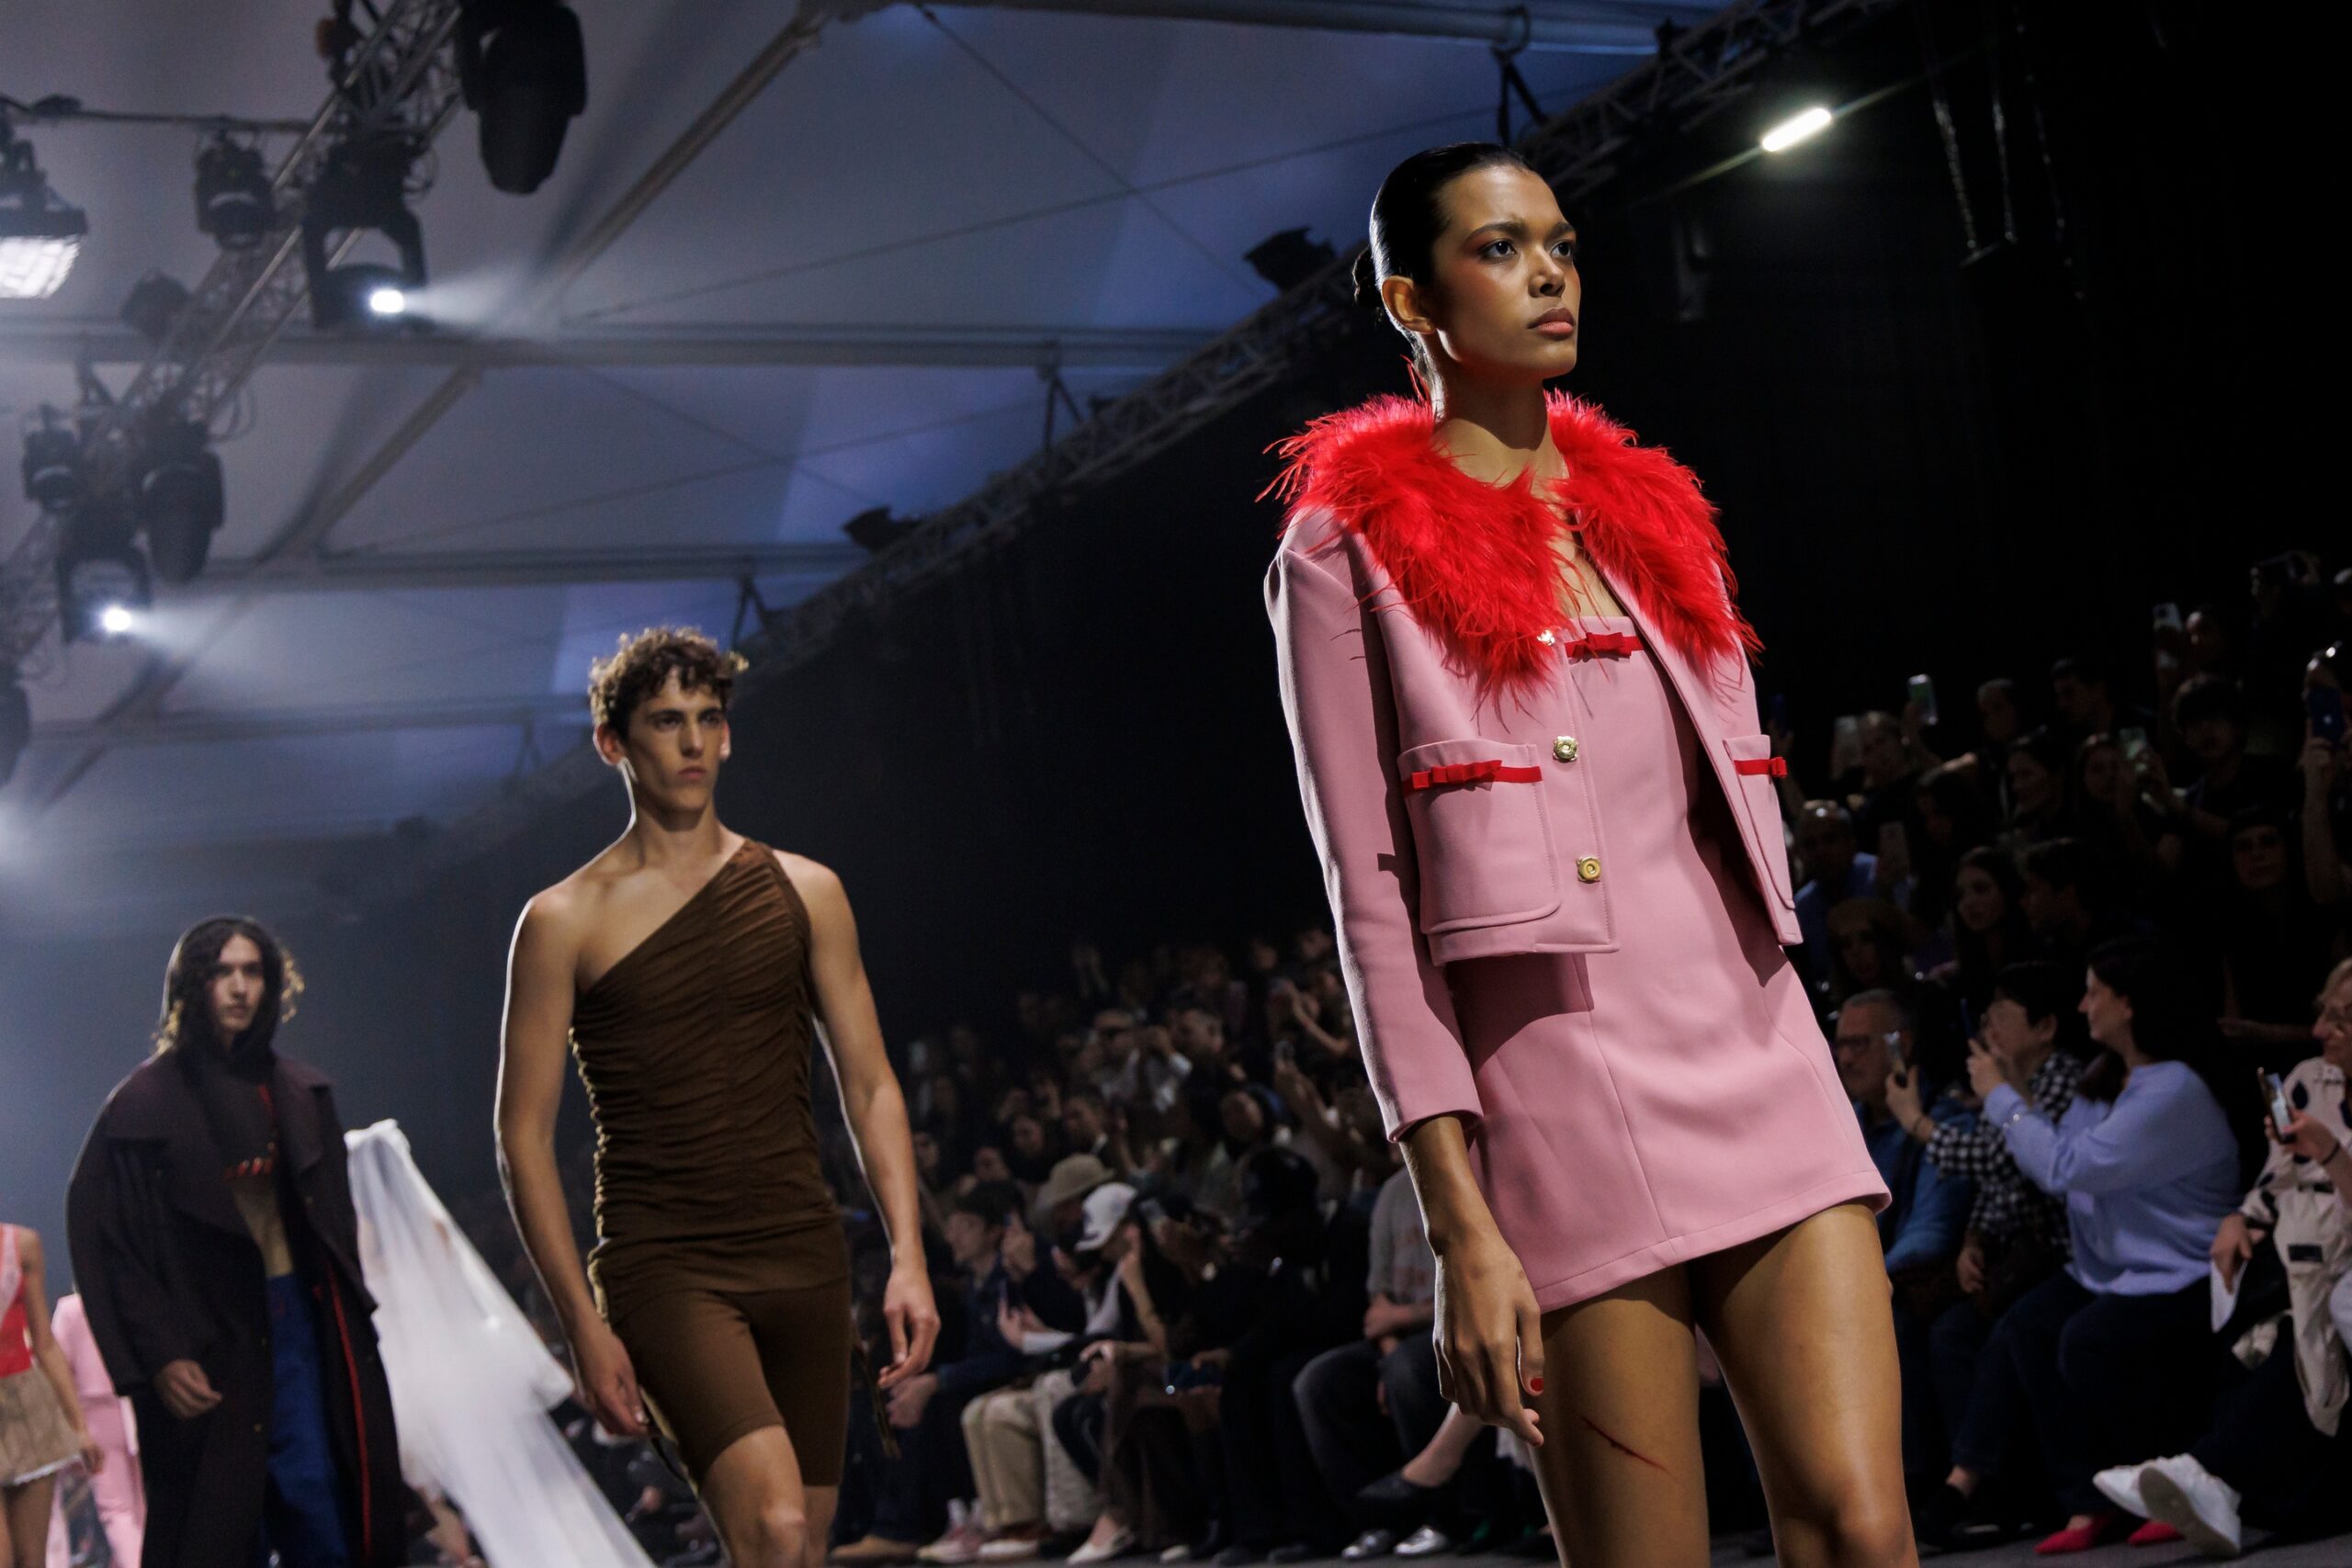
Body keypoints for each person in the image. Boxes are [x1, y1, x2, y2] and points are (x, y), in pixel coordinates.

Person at [1266, 141, 1903, 1567]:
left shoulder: (1657, 515)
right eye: (1499, 249)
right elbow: (1372, 899)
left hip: (1758, 1041)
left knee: (1864, 1527)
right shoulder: (1343, 552)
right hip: (1557, 1093)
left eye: (1559, 243)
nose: (1550, 273)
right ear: (1411, 301)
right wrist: (1457, 1221)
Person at [496, 627, 940, 1568]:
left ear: (729, 734)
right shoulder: (561, 920)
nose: (693, 741)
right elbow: (522, 1137)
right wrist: (580, 1324)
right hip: (666, 1264)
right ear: (613, 743)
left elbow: (869, 1083)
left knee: (803, 1543)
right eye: (666, 721)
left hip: (803, 1250)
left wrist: (908, 1255)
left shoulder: (807, 891)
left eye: (708, 718)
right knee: (773, 1528)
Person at [66, 916, 405, 1568]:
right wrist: (161, 1353)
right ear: (190, 984)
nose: (239, 987)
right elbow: (111, 1244)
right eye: (221, 972)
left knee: (320, 1505)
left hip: (299, 1326)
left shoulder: (301, 1094)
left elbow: (334, 1225)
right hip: (207, 1338)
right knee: (218, 1526)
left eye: (252, 971)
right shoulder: (140, 1107)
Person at [1965, 939, 2244, 1554]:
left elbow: (2067, 1168)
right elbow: (2061, 1162)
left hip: (2184, 1269)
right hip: (2117, 1269)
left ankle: (2172, 1480)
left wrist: (2001, 1098)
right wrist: (2015, 1093)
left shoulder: (2173, 1088)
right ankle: (2088, 1498)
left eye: (2095, 992)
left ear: (2130, 1003)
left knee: (2091, 1340)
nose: (2083, 1004)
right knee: (2026, 1327)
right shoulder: (2108, 1078)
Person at [2093, 956, 2352, 1555]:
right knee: (2255, 1333)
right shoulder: (2311, 1078)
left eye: (2340, 1019)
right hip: (2305, 1256)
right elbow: (2280, 1172)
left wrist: (2331, 1151)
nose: (2320, 1030)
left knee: (2310, 1329)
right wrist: (2243, 1216)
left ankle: (2205, 1475)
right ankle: (2217, 1487)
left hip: (2335, 1267)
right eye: (2323, 1013)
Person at [345, 1119, 653, 1568]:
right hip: (470, 1356)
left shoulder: (364, 1238)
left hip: (412, 1371)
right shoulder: (435, 1226)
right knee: (528, 1480)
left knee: (466, 1498)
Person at [1, 1225, 96, 1568]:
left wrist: (79, 1427)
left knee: (32, 1560)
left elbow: (45, 1344)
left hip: (27, 1412)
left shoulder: (21, 1245)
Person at [41, 1293, 141, 1568]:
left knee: (116, 1509)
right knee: (138, 1507)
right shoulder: (129, 1299)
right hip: (136, 1405)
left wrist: (73, 1428)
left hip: (97, 1414)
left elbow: (56, 1367)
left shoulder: (73, 1310)